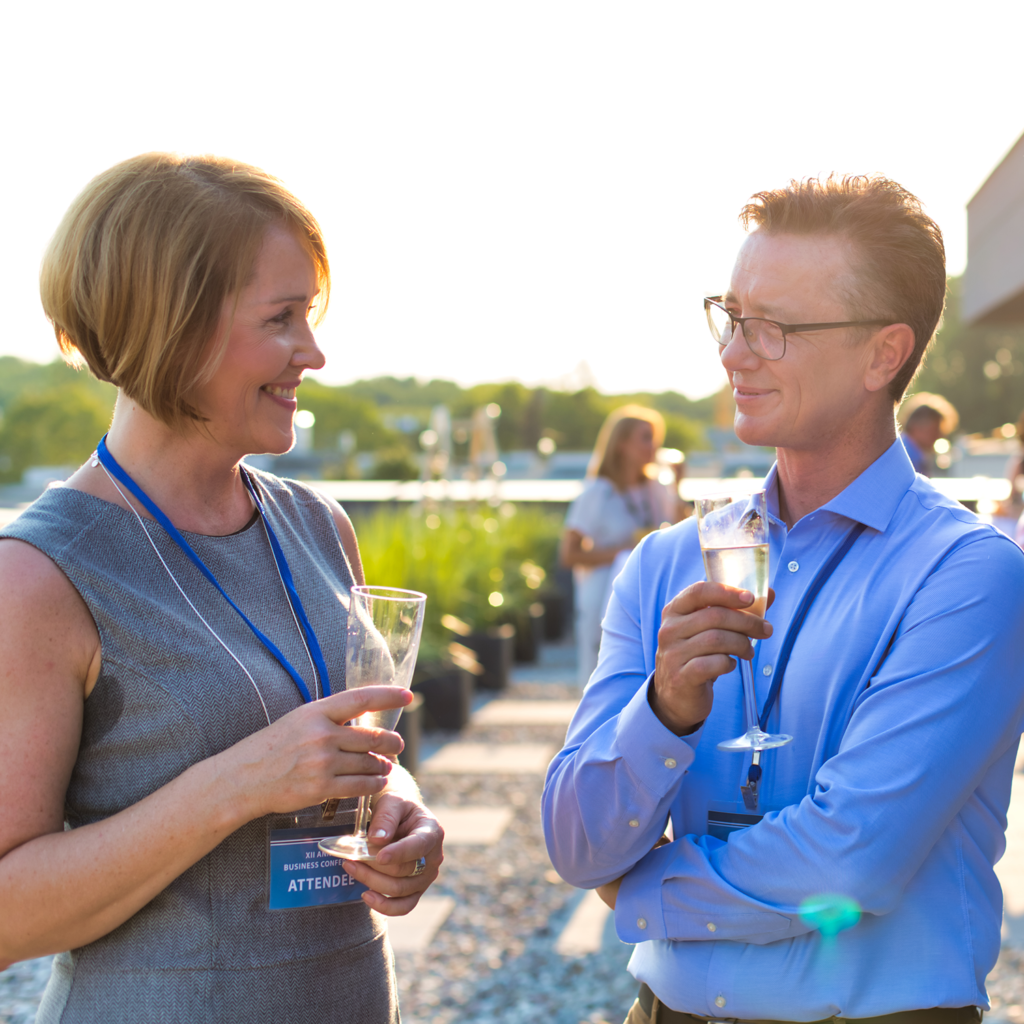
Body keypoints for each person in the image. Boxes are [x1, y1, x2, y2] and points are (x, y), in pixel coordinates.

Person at [542, 175, 1024, 1022]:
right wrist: (664, 712)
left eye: (774, 329)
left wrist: (647, 888)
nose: (733, 353)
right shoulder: (665, 562)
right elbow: (576, 844)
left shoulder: (969, 575)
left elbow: (848, 866)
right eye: (731, 318)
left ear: (884, 354)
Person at [0, 154, 444, 1024]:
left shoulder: (320, 528)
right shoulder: (37, 577)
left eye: (308, 316)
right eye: (282, 319)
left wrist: (405, 816)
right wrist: (236, 785)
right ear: (172, 327)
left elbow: (356, 758)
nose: (313, 353)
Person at [560, 406, 681, 687]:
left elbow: (679, 534)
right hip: (602, 594)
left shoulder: (657, 488)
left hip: (651, 592)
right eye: (645, 438)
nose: (654, 446)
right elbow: (569, 555)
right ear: (622, 444)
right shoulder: (596, 492)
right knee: (603, 672)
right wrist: (626, 552)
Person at [897, 391, 958, 475]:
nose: (939, 436)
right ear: (917, 427)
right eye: (935, 430)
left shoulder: (902, 449)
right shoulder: (910, 458)